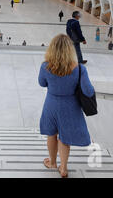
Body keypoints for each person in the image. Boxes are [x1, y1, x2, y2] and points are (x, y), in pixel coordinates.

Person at [39, 34, 95, 178]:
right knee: (65, 138)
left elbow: (42, 83)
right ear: (70, 50)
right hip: (70, 106)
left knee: (51, 134)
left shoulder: (45, 66)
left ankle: (52, 163)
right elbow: (88, 91)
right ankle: (63, 168)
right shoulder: (80, 69)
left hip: (51, 104)